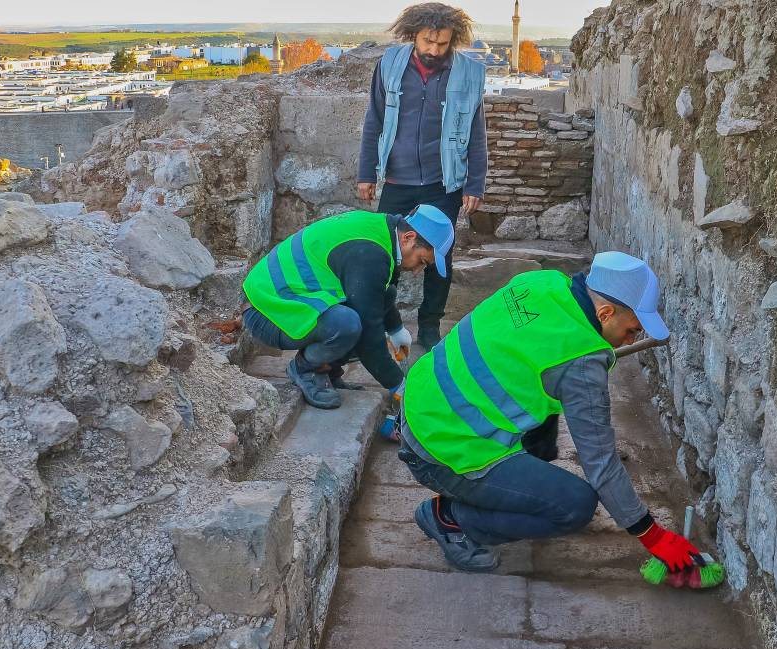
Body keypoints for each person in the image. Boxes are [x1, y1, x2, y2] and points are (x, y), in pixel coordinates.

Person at [398, 252, 701, 573]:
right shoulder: (582, 364)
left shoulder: (545, 282)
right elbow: (600, 463)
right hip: (441, 451)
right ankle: (451, 520)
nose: (633, 338)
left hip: (420, 403)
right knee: (574, 505)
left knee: (542, 443)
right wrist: (652, 536)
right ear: (606, 312)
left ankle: (495, 492)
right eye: (632, 329)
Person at [357, 2, 487, 352]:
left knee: (439, 258)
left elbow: (476, 130)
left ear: (453, 40)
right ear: (412, 34)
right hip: (397, 179)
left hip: (443, 182)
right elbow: (375, 120)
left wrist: (475, 182)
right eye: (428, 42)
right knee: (389, 256)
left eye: (443, 44)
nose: (434, 50)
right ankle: (384, 325)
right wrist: (366, 172)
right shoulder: (390, 64)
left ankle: (429, 327)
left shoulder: (470, 73)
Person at [241, 206, 454, 409]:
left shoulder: (381, 231)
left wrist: (396, 329)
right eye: (422, 261)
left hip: (288, 299)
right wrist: (399, 385)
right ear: (409, 238)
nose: (418, 270)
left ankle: (328, 368)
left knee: (374, 302)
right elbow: (369, 337)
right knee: (348, 325)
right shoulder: (371, 254)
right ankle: (305, 368)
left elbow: (379, 295)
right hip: (267, 310)